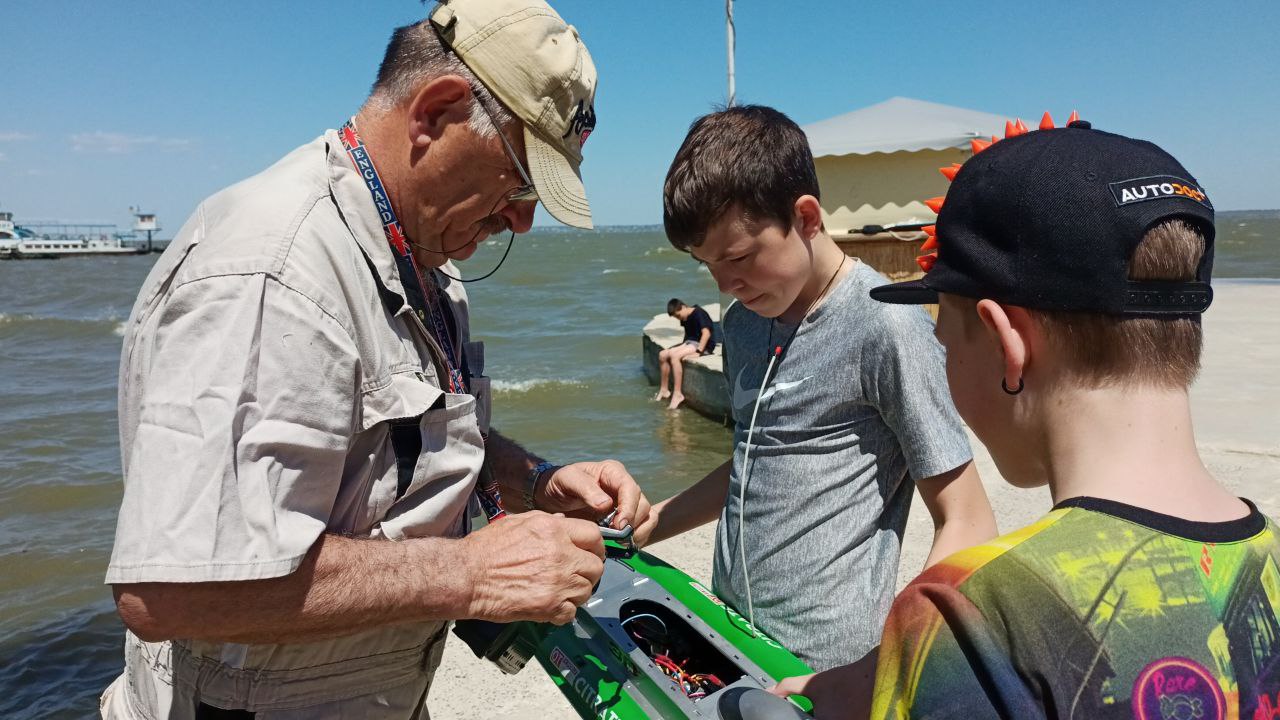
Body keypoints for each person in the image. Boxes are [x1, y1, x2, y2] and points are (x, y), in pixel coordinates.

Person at [99, 2, 652, 717]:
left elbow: (404, 448)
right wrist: (471, 576)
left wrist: (535, 480)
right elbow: (171, 590)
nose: (524, 218)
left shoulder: (421, 253)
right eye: (520, 183)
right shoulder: (273, 274)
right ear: (438, 111)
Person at [772, 119, 1280, 718]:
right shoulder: (1268, 563)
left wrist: (901, 674)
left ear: (1006, 343)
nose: (946, 364)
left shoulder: (967, 616)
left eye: (946, 342)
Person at [632, 106, 997, 672]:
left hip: (828, 669)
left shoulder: (887, 327)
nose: (725, 283)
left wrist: (887, 669)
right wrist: (648, 526)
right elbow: (751, 462)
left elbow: (967, 518)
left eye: (739, 257)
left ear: (805, 217)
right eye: (708, 266)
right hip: (728, 636)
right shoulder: (743, 323)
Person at [655, 297, 717, 409]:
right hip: (690, 343)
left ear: (683, 307)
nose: (679, 318)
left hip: (702, 344)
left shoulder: (699, 313)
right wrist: (680, 347)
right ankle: (664, 390)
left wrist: (699, 352)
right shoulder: (685, 318)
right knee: (663, 354)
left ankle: (677, 394)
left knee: (675, 356)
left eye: (678, 315)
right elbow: (688, 336)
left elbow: (706, 333)